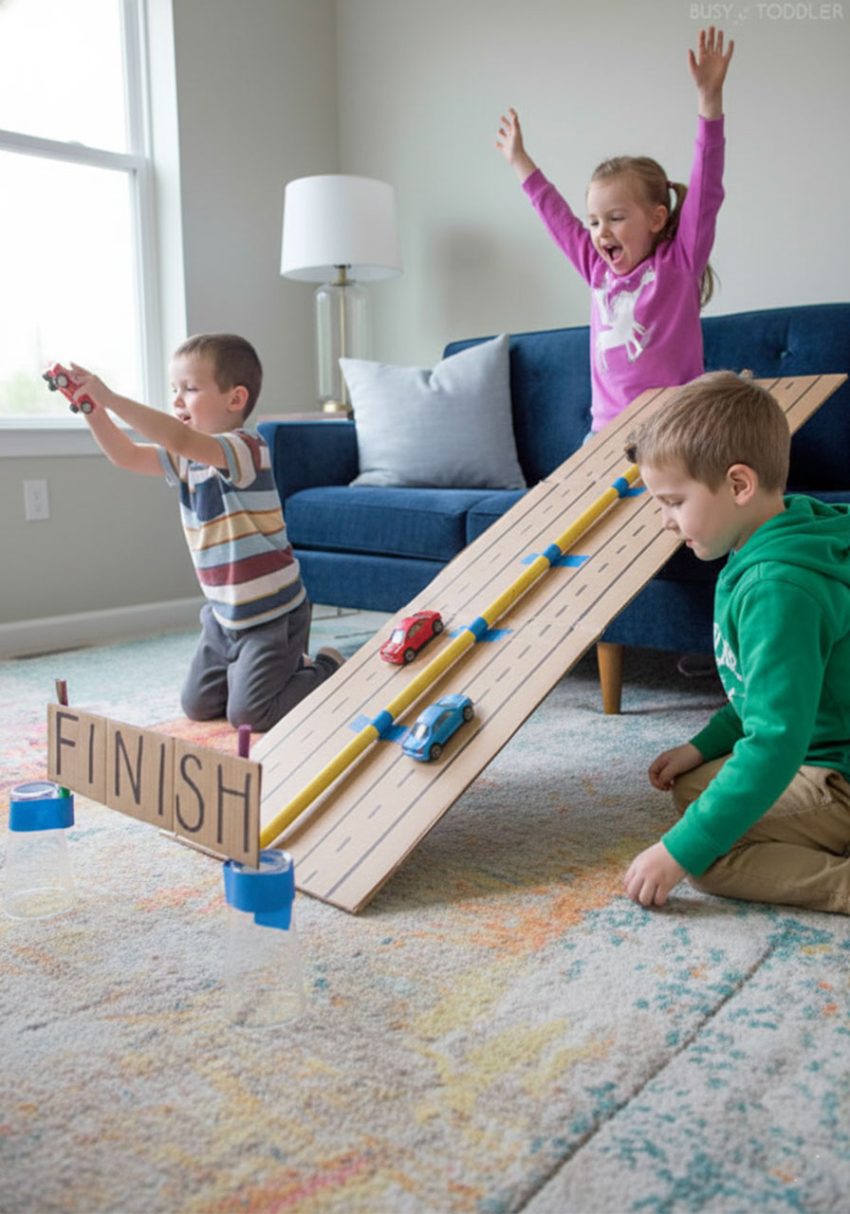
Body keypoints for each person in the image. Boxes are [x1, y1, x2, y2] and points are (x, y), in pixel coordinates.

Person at [621, 372, 850, 914]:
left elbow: (774, 740)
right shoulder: (765, 544)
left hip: (836, 773)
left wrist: (679, 852)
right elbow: (756, 693)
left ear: (740, 485)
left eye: (674, 502)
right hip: (817, 749)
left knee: (708, 857)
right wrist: (701, 746)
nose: (665, 522)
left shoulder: (778, 589)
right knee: (692, 788)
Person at [70, 333, 344, 733]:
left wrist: (112, 397)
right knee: (197, 706)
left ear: (235, 399)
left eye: (190, 389)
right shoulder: (186, 459)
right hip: (224, 616)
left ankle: (326, 668)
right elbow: (125, 455)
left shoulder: (245, 448)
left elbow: (179, 436)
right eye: (174, 390)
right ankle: (266, 672)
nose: (177, 399)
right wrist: (91, 407)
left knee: (250, 715)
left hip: (273, 616)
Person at [496, 27, 734, 437]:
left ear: (657, 219)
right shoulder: (597, 269)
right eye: (594, 221)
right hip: (605, 434)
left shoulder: (678, 265)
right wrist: (520, 161)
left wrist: (709, 101)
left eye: (616, 218)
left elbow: (707, 184)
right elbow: (555, 215)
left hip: (674, 432)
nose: (601, 231)